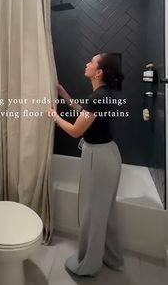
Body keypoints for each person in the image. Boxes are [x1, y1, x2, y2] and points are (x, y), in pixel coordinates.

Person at [47, 53, 124, 277]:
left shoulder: (98, 97)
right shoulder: (103, 94)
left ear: (99, 72)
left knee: (93, 213)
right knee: (104, 212)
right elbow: (86, 115)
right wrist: (65, 96)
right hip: (108, 155)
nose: (87, 64)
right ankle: (112, 257)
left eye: (91, 62)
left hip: (99, 160)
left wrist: (53, 115)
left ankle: (89, 265)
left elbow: (75, 130)